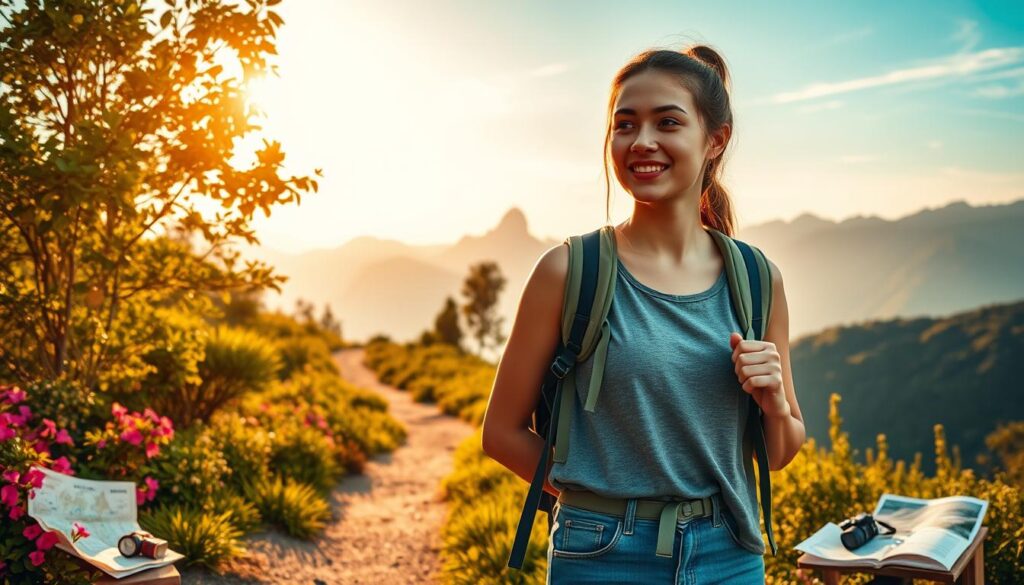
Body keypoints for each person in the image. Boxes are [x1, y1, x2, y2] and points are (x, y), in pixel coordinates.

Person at [481, 44, 806, 584]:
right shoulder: (568, 270)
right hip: (602, 555)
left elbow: (778, 453)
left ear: (715, 140)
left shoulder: (756, 278)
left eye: (668, 122)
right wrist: (594, 500)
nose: (642, 142)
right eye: (625, 124)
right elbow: (502, 432)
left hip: (730, 554)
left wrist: (773, 403)